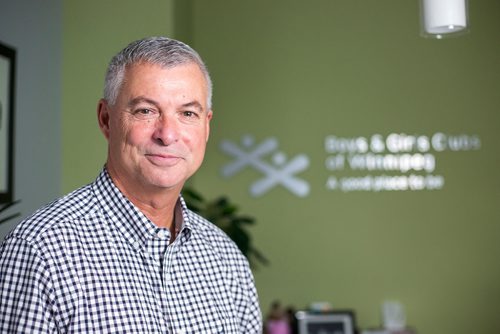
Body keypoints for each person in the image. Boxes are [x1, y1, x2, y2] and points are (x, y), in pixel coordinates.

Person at [0, 37, 262, 333]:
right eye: (145, 111)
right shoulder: (42, 250)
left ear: (206, 126)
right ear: (106, 119)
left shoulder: (227, 259)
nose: (167, 134)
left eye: (187, 113)